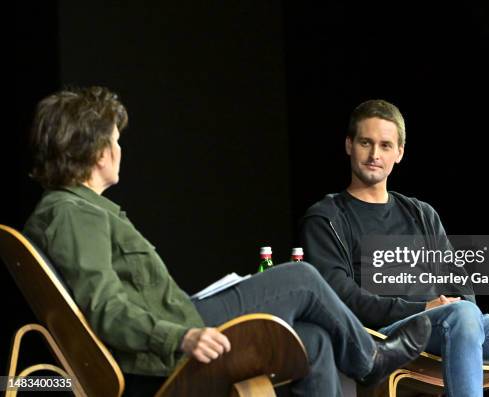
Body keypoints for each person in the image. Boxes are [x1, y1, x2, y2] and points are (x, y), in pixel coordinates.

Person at [22, 87, 432, 396]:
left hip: (180, 319)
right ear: (96, 152)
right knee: (301, 279)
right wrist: (178, 337)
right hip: (176, 340)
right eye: (115, 141)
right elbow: (105, 308)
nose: (118, 150)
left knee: (315, 340)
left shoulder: (81, 210)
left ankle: (364, 358)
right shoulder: (72, 214)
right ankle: (371, 359)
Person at [299, 99, 489, 396]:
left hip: (458, 324)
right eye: (365, 143)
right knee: (461, 315)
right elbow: (339, 295)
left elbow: (458, 281)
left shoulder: (420, 213)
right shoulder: (327, 217)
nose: (374, 155)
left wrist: (464, 319)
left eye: (385, 146)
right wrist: (425, 308)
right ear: (349, 145)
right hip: (387, 335)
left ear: (399, 153)